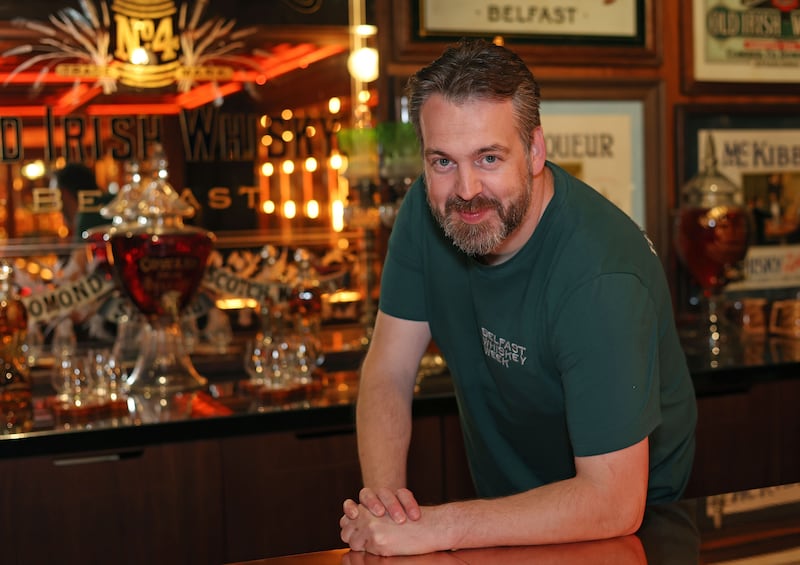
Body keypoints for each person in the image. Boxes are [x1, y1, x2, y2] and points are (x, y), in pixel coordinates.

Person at [339, 38, 697, 556]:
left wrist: (436, 528)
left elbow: (615, 501)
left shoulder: (600, 274)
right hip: (499, 517)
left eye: (488, 157)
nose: (465, 190)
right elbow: (388, 370)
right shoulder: (425, 210)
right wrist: (386, 510)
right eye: (442, 161)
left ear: (534, 151)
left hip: (628, 532)